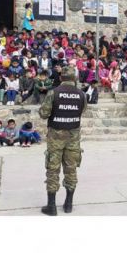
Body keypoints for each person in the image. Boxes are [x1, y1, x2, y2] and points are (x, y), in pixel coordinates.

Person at [39, 66, 86, 216]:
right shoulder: (81, 94)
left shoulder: (54, 93)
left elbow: (44, 113)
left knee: (53, 170)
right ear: (75, 78)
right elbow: (83, 110)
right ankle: (68, 204)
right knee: (71, 169)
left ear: (61, 78)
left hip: (55, 137)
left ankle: (51, 206)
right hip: (73, 137)